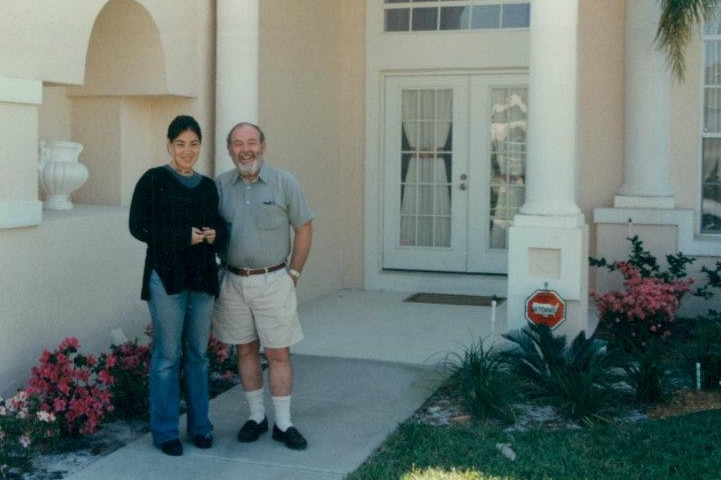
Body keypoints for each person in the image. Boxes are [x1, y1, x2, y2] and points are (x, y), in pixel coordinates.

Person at [213, 122, 313, 450]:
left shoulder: (285, 182)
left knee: (278, 351)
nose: (246, 149)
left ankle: (284, 423)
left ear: (263, 146)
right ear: (230, 150)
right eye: (238, 143)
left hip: (274, 280)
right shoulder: (220, 186)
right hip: (233, 281)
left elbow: (304, 227)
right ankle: (257, 417)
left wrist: (294, 274)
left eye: (252, 142)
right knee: (244, 349)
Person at [129, 115, 220, 456]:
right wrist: (184, 237)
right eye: (180, 143)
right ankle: (166, 432)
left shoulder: (208, 186)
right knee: (168, 356)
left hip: (202, 280)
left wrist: (215, 234)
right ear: (169, 145)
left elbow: (220, 229)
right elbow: (138, 226)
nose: (187, 150)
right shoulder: (154, 180)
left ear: (200, 146)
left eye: (193, 144)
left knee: (198, 355)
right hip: (166, 279)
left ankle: (200, 427)